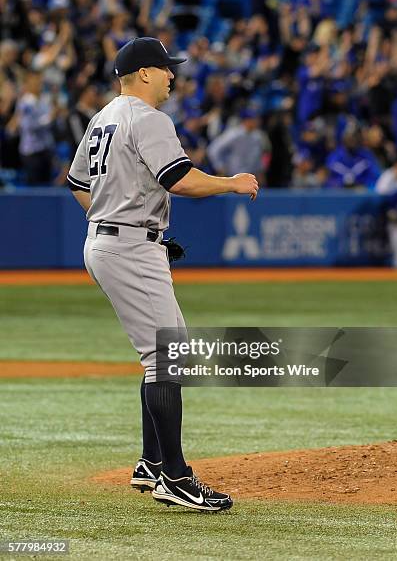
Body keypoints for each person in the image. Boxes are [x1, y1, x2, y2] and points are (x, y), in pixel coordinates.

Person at [67, 36, 258, 512]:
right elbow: (180, 178)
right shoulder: (148, 117)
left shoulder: (102, 117)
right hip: (127, 245)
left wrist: (117, 218)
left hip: (109, 241)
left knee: (157, 354)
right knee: (168, 356)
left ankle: (152, 462)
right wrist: (231, 183)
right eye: (167, 68)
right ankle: (175, 476)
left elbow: (76, 184)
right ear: (146, 73)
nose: (173, 75)